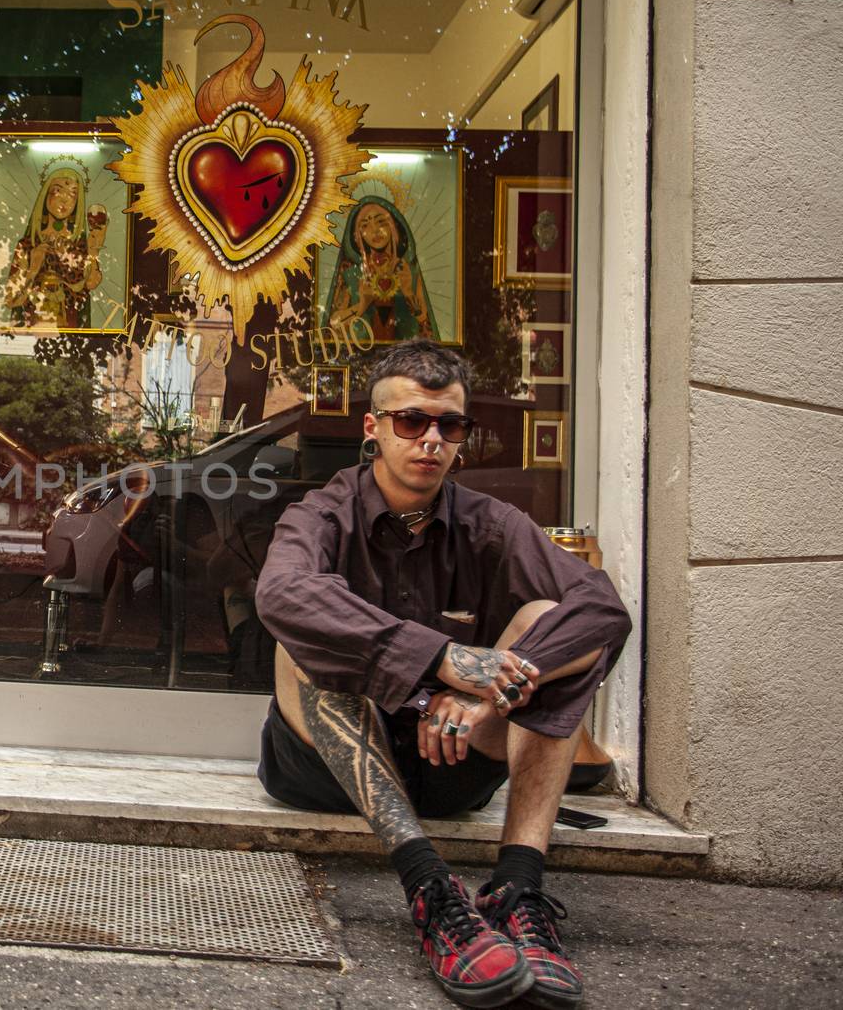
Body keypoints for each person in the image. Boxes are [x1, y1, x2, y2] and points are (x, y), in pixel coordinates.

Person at [255, 340, 630, 1009]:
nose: (431, 439)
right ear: (372, 428)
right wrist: (443, 663)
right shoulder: (324, 512)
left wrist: (489, 702)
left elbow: (602, 608)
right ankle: (432, 890)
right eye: (411, 420)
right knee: (304, 639)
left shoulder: (493, 524)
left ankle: (519, 887)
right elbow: (281, 594)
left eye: (449, 425)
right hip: (330, 769)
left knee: (553, 617)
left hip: (455, 757)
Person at [1, 165, 108, 330]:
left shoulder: (80, 247)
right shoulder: (29, 245)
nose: (64, 200)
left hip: (71, 331)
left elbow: (92, 282)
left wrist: (94, 248)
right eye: (58, 191)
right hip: (32, 330)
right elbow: (10, 299)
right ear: (46, 196)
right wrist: (33, 268)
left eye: (72, 194)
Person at [325, 195, 437, 342]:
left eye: (381, 221)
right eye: (365, 225)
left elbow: (423, 319)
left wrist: (408, 292)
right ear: (358, 236)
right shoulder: (351, 274)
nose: (374, 230)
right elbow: (334, 324)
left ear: (393, 226)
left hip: (405, 359)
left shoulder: (408, 271)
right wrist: (362, 304)